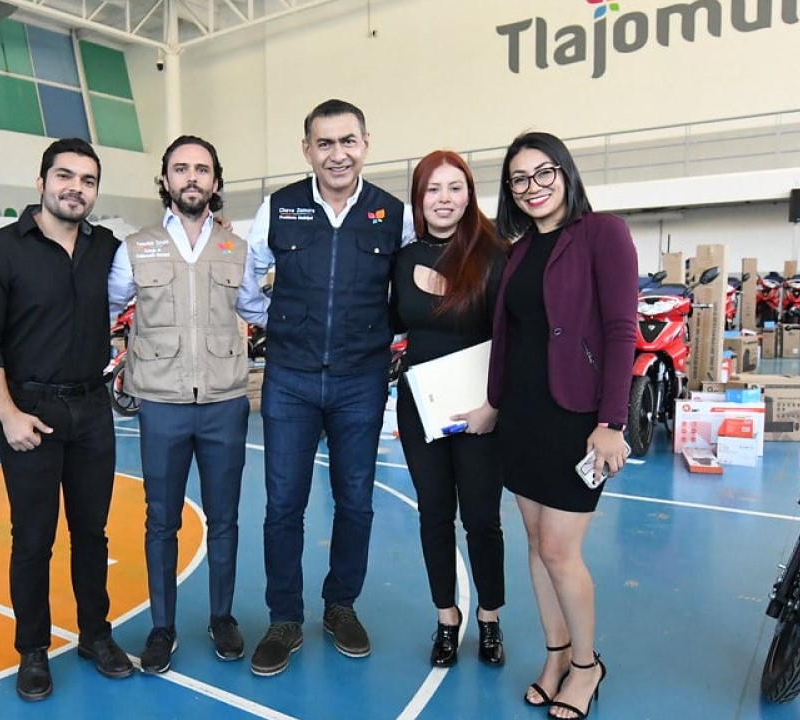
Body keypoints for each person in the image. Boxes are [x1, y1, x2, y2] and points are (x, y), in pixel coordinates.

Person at [0, 138, 135, 702]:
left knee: (92, 533)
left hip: (93, 410)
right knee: (33, 539)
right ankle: (32, 650)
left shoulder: (107, 249)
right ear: (41, 182)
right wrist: (8, 413)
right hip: (29, 413)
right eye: (65, 176)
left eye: (87, 180)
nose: (75, 188)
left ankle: (95, 635)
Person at [243, 99, 412, 677]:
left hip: (360, 381)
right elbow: (246, 284)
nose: (337, 154)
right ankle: (284, 618)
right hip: (289, 380)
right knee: (282, 505)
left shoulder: (394, 215)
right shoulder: (278, 207)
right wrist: (284, 325)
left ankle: (341, 606)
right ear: (307, 150)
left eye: (347, 141)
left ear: (365, 144)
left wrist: (382, 335)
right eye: (324, 143)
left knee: (356, 500)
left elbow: (409, 293)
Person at [487, 132, 636, 719]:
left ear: (566, 173)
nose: (533, 187)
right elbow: (512, 336)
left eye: (543, 173)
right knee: (534, 544)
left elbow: (621, 330)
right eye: (519, 179)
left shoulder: (603, 233)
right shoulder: (519, 250)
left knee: (559, 549)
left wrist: (612, 421)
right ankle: (555, 656)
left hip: (577, 417)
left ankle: (586, 665)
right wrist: (494, 403)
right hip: (522, 415)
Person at [107, 135, 267, 674]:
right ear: (166, 179)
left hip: (224, 402)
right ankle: (163, 627)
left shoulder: (237, 248)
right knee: (160, 520)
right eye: (181, 169)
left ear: (215, 181)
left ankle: (222, 617)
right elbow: (105, 306)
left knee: (225, 518)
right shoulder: (136, 247)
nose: (191, 177)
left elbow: (258, 309)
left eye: (201, 169)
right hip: (161, 404)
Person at [389, 151, 508, 669]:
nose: (444, 199)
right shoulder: (403, 259)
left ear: (469, 195)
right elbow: (392, 322)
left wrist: (493, 407)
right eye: (432, 189)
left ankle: (489, 618)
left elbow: (512, 338)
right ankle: (446, 618)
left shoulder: (495, 256)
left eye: (454, 187)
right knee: (434, 514)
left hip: (481, 412)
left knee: (482, 518)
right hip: (422, 408)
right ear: (419, 198)